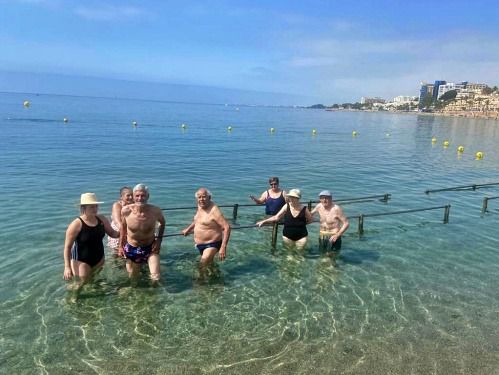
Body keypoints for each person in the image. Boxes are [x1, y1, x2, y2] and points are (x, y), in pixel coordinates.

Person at [63, 193, 119, 286]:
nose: (95, 209)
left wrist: (126, 232)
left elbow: (112, 233)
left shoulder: (101, 219)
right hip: (81, 261)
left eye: (96, 206)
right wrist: (67, 267)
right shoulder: (76, 224)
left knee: (95, 280)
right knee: (79, 285)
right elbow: (67, 248)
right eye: (91, 207)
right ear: (83, 208)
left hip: (99, 258)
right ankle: (71, 299)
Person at [119, 184, 165, 282]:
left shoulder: (155, 211)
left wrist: (159, 240)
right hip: (132, 247)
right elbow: (123, 228)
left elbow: (162, 223)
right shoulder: (126, 211)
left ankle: (154, 294)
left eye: (143, 195)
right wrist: (120, 246)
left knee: (155, 278)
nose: (140, 198)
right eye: (137, 196)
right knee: (133, 278)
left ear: (148, 196)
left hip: (150, 247)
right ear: (133, 196)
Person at [182, 188, 231, 266]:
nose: (201, 199)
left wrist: (223, 247)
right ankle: (215, 275)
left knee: (202, 265)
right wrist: (188, 229)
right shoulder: (200, 205)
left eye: (204, 197)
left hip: (212, 244)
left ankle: (199, 278)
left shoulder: (214, 211)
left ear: (209, 197)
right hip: (200, 245)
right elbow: (198, 220)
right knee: (209, 265)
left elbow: (227, 227)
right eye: (199, 197)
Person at [311, 190, 349, 262]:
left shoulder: (336, 209)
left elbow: (346, 223)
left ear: (331, 198)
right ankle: (323, 272)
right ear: (320, 199)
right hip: (322, 236)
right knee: (322, 255)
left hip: (333, 237)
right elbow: (309, 215)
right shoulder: (319, 206)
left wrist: (338, 235)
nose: (324, 200)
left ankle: (333, 271)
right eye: (322, 198)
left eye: (326, 198)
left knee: (332, 258)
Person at [107, 186, 133, 252]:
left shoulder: (134, 205)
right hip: (117, 233)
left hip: (129, 233)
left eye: (132, 195)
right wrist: (122, 238)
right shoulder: (117, 205)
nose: (131, 197)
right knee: (116, 255)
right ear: (121, 197)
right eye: (128, 195)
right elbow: (118, 223)